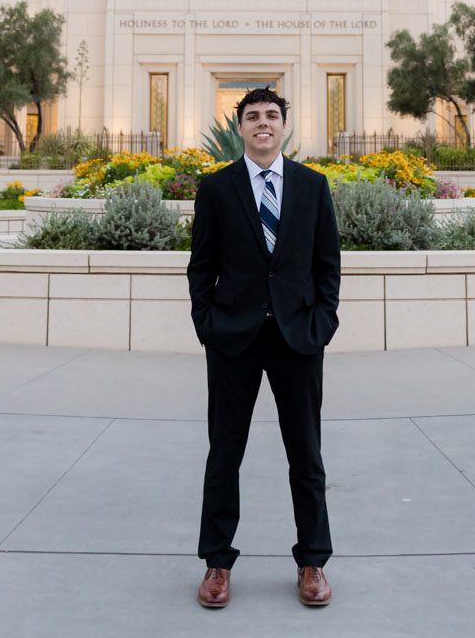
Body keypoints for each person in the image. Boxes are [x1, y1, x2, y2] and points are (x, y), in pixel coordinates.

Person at [188, 86, 340, 609]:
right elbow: (201, 265)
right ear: (241, 127)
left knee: (306, 455)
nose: (262, 123)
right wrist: (207, 324)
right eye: (252, 116)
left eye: (271, 115)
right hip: (234, 339)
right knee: (224, 455)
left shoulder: (312, 186)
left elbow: (328, 265)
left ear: (283, 125)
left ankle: (313, 562)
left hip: (298, 339)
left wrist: (322, 323)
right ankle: (217, 563)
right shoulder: (216, 188)